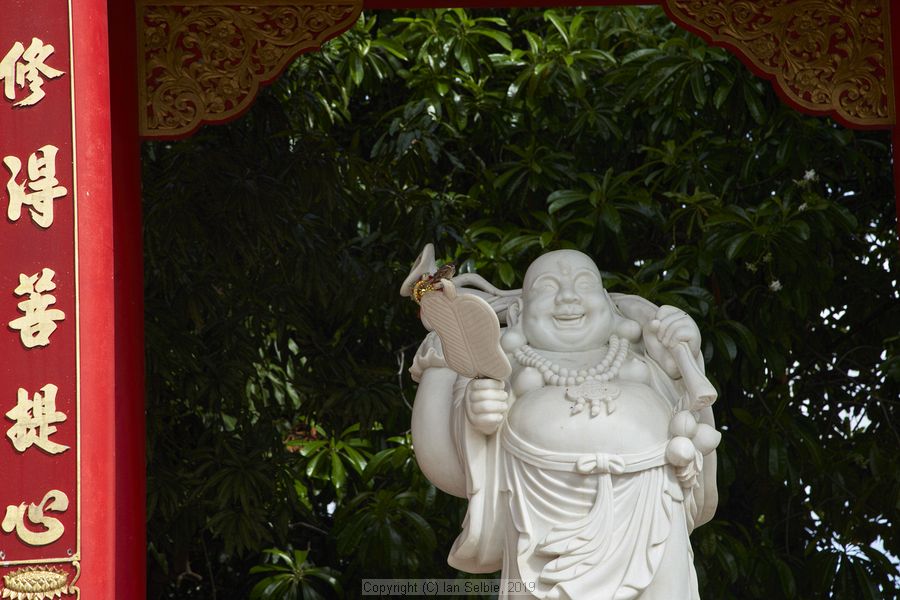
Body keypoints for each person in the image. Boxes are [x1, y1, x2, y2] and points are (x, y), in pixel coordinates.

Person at [409, 250, 719, 599]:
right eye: (547, 287)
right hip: (541, 532)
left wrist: (683, 360)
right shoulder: (501, 373)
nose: (568, 297)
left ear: (607, 302)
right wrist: (474, 415)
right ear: (520, 312)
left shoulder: (647, 363)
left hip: (655, 515)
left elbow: (698, 427)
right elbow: (442, 458)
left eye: (584, 284)